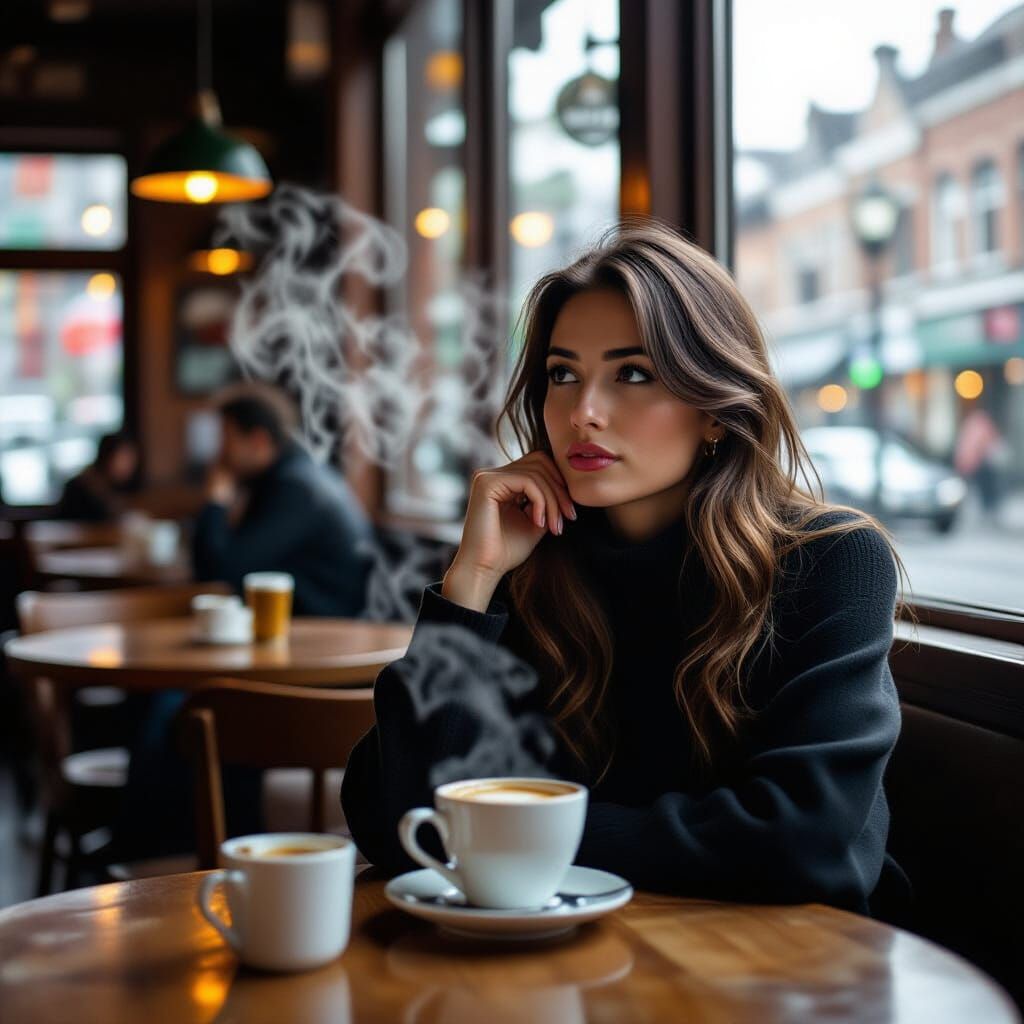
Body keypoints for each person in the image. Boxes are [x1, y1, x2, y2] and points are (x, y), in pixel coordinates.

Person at [341, 221, 913, 920]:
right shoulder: (532, 565)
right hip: (572, 956)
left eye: (633, 374)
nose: (584, 413)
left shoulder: (828, 559)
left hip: (790, 967)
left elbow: (799, 839)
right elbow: (390, 817)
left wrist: (508, 834)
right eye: (562, 375)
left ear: (714, 408)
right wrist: (471, 583)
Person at [192, 384, 374, 616]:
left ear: (258, 441)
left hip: (332, 628)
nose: (219, 453)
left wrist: (215, 502)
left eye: (226, 439)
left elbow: (220, 573)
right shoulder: (296, 473)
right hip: (313, 620)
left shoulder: (295, 488)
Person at [56, 432, 138, 520]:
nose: (129, 465)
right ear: (107, 457)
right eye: (124, 458)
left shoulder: (117, 487)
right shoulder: (82, 487)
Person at [954, 405, 1007, 520]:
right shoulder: (982, 425)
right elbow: (987, 443)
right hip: (977, 463)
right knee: (985, 488)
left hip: (968, 463)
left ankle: (983, 510)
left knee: (975, 488)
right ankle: (988, 510)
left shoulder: (970, 424)